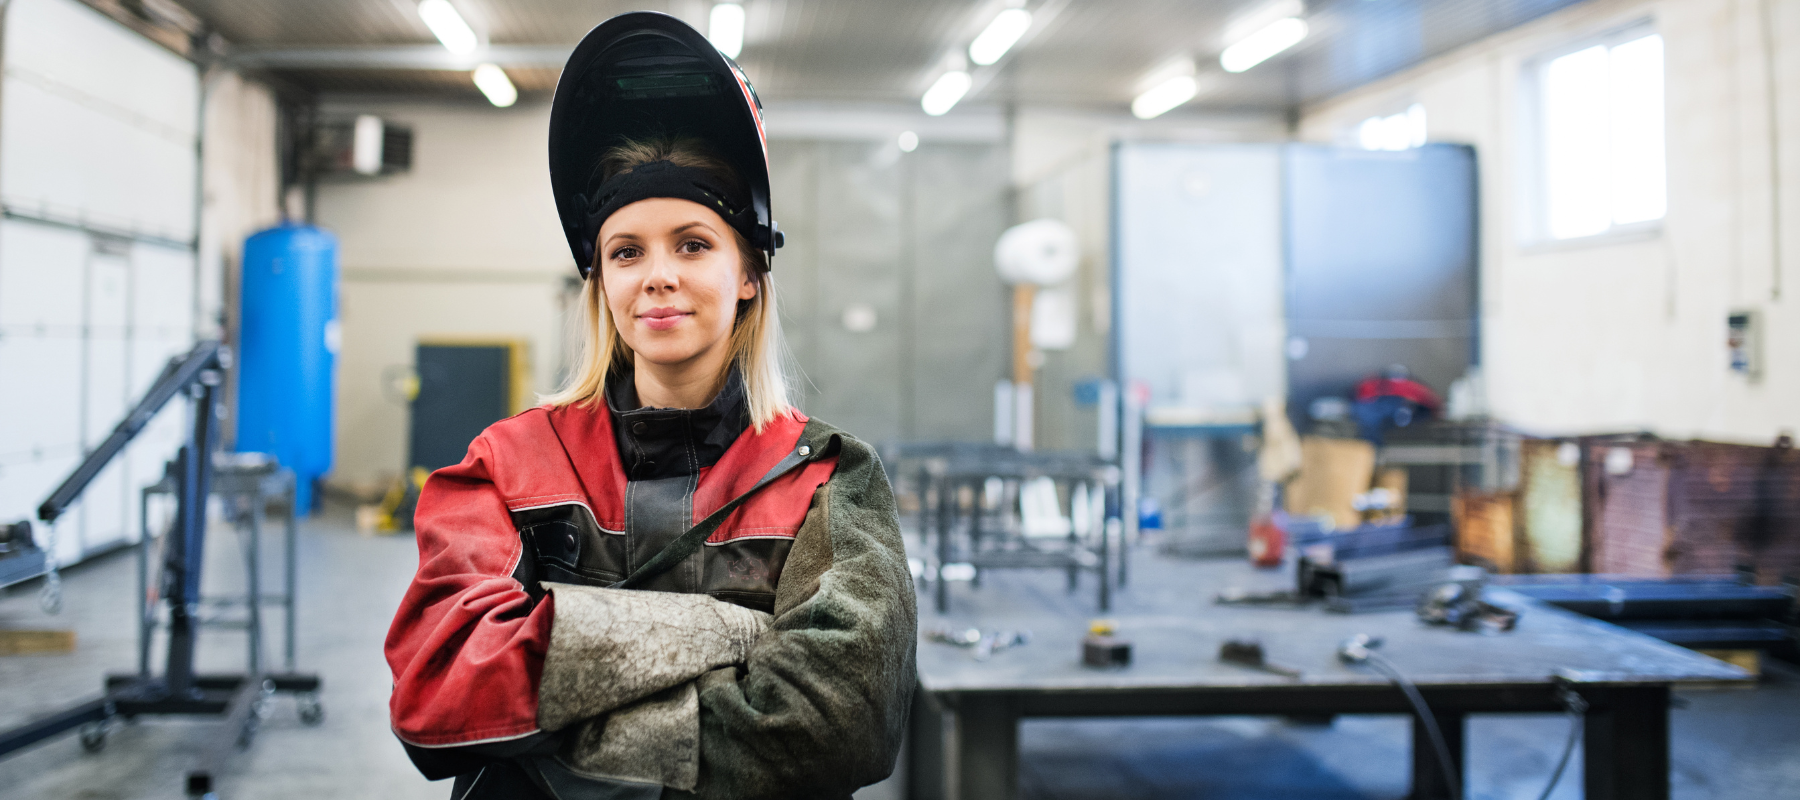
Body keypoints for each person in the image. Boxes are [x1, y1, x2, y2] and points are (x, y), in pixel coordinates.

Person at [383, 13, 917, 799]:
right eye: (626, 251)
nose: (657, 275)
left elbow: (842, 721)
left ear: (747, 275)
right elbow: (437, 692)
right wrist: (720, 630)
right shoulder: (503, 464)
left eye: (693, 243)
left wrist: (557, 732)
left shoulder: (829, 478)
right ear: (601, 281)